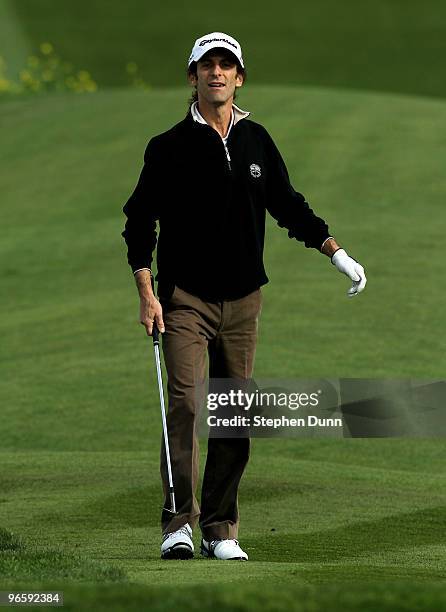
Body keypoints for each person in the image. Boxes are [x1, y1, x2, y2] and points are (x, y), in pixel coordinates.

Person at [122, 31, 366, 561]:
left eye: (226, 65)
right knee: (186, 405)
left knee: (235, 414)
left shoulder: (257, 140)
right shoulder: (167, 148)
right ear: (192, 77)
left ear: (239, 77)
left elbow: (287, 204)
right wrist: (147, 291)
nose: (216, 73)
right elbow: (140, 221)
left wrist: (335, 251)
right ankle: (177, 525)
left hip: (244, 301)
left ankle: (220, 528)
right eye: (206, 65)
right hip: (185, 298)